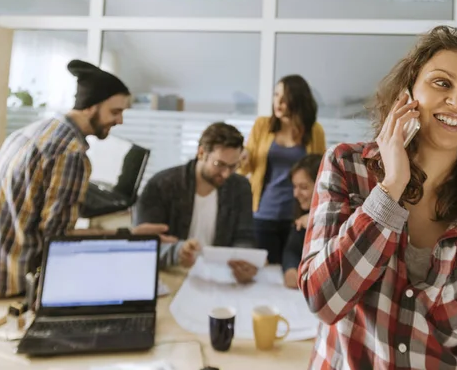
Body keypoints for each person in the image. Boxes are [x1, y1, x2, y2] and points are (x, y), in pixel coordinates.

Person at [298, 26, 457, 368]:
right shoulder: (347, 167)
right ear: (408, 90)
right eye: (442, 83)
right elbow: (323, 301)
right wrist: (389, 189)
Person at [0, 60, 171, 301]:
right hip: (8, 282)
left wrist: (127, 232)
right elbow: (58, 241)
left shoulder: (36, 130)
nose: (120, 121)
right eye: (115, 112)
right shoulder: (70, 152)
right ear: (90, 107)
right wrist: (128, 238)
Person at [135, 122, 258, 284]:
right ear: (201, 153)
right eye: (219, 164)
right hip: (172, 276)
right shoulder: (162, 185)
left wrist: (245, 258)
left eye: (233, 166)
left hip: (219, 277)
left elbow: (244, 236)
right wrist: (178, 251)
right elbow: (142, 245)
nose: (226, 174)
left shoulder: (240, 187)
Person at [238, 75, 326, 265]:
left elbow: (321, 173)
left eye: (285, 97)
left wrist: (315, 212)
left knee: (295, 270)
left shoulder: (315, 130)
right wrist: (242, 156)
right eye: (276, 95)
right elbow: (247, 167)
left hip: (297, 215)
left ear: (298, 99)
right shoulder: (262, 125)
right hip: (264, 212)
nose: (278, 101)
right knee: (264, 270)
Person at [282, 154, 322, 289]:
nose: (295, 194)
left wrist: (317, 220)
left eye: (303, 187)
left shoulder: (348, 219)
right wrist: (290, 269)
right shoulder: (302, 212)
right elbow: (291, 250)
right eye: (295, 186)